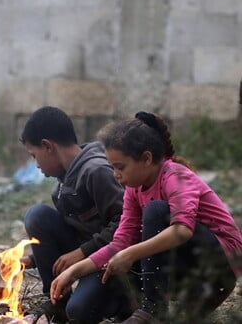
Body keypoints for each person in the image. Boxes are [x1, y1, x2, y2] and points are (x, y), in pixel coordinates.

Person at [50, 112, 242, 323]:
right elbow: (120, 242)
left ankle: (153, 309)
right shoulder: (135, 190)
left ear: (147, 159)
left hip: (221, 259)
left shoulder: (175, 175)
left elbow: (183, 230)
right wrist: (74, 271)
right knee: (83, 307)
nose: (115, 174)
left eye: (120, 167)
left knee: (155, 211)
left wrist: (130, 254)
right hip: (189, 262)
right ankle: (164, 304)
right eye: (112, 167)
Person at [19, 106, 134, 323]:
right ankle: (56, 302)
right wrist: (35, 258)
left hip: (112, 262)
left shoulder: (96, 171)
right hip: (89, 256)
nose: (36, 164)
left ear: (47, 146)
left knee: (79, 312)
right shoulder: (62, 184)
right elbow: (75, 232)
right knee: (38, 216)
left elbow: (125, 223)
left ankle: (123, 301)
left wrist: (82, 252)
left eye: (35, 156)